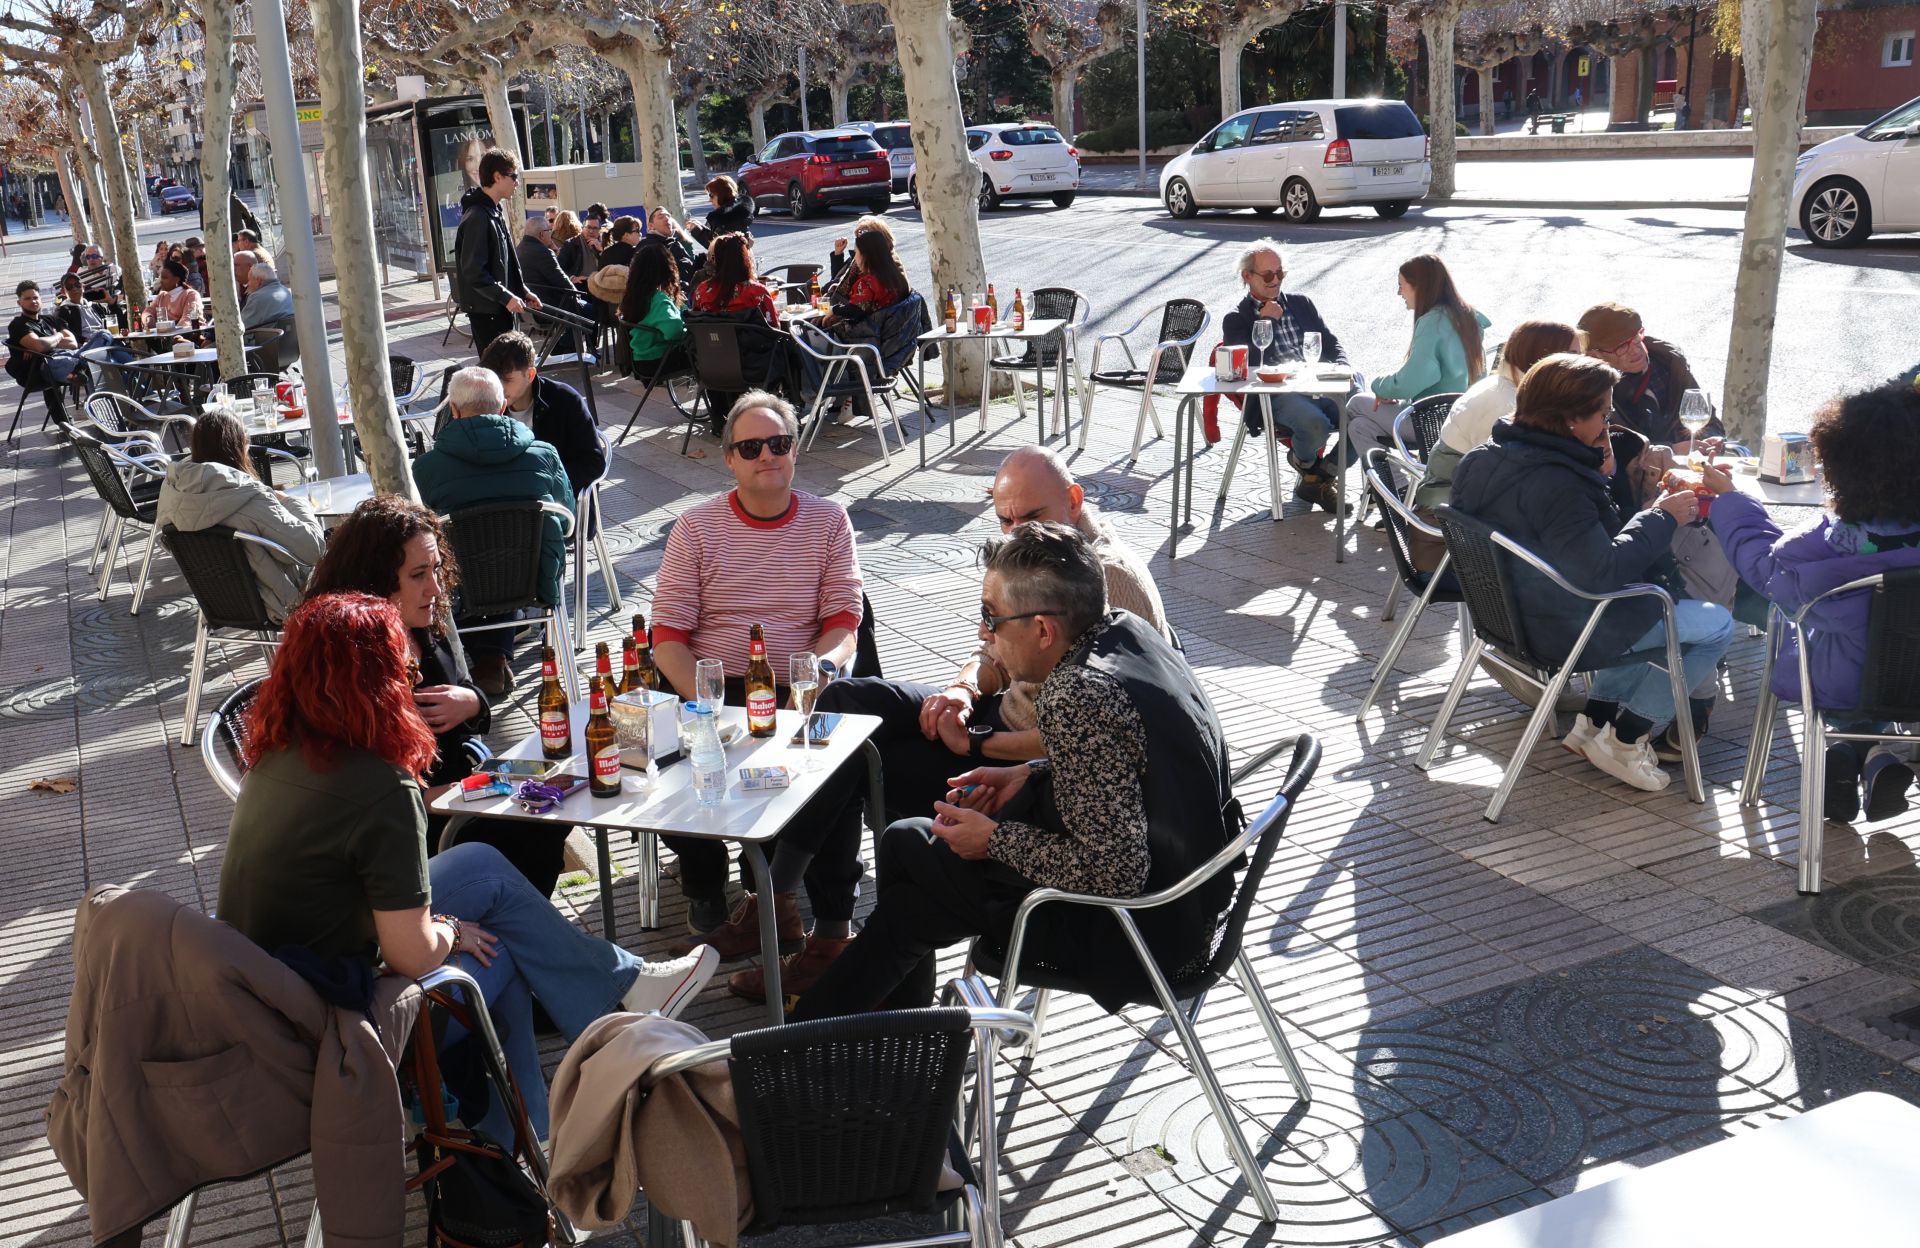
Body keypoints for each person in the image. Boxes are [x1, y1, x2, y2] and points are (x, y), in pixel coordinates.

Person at [215, 592, 718, 1148]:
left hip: (263, 1000)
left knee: (481, 864)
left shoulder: (274, 755)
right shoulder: (380, 786)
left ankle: (538, 1129)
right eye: (403, 669)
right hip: (330, 1022)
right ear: (379, 683)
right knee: (498, 951)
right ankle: (534, 1131)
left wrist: (444, 929)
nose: (411, 678)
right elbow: (411, 954)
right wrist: (451, 930)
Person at [721, 446, 1169, 1002]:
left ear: (1074, 502)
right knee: (849, 709)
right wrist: (961, 693)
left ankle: (818, 991)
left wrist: (998, 815)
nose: (1012, 532)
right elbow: (1003, 658)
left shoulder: (1100, 601)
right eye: (1002, 519)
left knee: (891, 812)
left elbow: (1110, 829)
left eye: (1027, 518)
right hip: (1024, 758)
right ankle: (800, 931)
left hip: (1103, 907)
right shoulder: (1052, 579)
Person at [793, 521, 1237, 1020]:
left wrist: (992, 841)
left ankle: (796, 1054)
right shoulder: (1125, 631)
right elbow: (1125, 762)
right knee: (910, 878)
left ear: (1044, 629)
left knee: (910, 852)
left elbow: (1117, 872)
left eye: (992, 616)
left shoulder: (1076, 694)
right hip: (1193, 901)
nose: (983, 633)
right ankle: (840, 1043)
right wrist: (1029, 773)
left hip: (1139, 931)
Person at [1450, 353, 1735, 792]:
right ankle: (1626, 738)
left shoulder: (1482, 459)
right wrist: (1661, 519)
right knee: (1715, 624)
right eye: (1602, 414)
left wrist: (1645, 511)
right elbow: (1601, 573)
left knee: (1666, 614)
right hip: (1567, 627)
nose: (1607, 424)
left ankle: (1593, 722)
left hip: (1508, 618)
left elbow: (1574, 546)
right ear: (1568, 420)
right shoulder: (1560, 481)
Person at [650, 391, 863, 937]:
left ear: (795, 451)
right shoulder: (695, 529)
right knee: (672, 761)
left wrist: (821, 674)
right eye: (750, 447)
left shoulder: (829, 520)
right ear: (729, 459)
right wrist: (705, 707)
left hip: (800, 683)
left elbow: (843, 622)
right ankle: (704, 878)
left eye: (779, 443)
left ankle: (810, 909)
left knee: (838, 766)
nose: (766, 455)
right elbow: (668, 638)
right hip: (715, 684)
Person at [303, 496, 579, 893]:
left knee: (562, 786)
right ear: (374, 579)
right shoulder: (352, 658)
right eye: (418, 574)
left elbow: (465, 688)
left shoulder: (416, 625)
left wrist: (472, 703)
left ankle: (515, 925)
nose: (435, 587)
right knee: (539, 824)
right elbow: (363, 788)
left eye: (436, 569)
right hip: (421, 824)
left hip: (467, 788)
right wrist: (456, 794)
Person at [1704, 381, 1920, 822]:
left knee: (1841, 659)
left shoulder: (1827, 545)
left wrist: (1730, 502)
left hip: (1841, 684)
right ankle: (1875, 755)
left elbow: (1764, 568)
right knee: (1884, 663)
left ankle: (1846, 751)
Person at [411, 367, 573, 696]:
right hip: (532, 579)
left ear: (453, 411)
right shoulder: (543, 455)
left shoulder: (426, 468)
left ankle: (485, 661)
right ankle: (492, 659)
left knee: (453, 557)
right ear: (502, 408)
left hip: (458, 588)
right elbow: (567, 513)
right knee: (511, 550)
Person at [1411, 320, 1582, 568]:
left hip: (1465, 510)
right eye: (1573, 355)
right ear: (1543, 356)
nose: (1581, 363)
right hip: (1449, 533)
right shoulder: (1507, 405)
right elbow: (1501, 487)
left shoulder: (1514, 387)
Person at [1212, 240, 1351, 513]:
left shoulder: (1301, 304)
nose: (1275, 281)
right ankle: (1315, 476)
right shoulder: (1237, 319)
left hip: (1317, 383)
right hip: (1276, 393)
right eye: (1267, 275)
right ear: (1247, 276)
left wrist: (1343, 366)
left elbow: (1331, 343)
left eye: (1280, 273)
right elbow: (1248, 366)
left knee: (1363, 415)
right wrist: (1268, 323)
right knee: (1314, 425)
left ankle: (1316, 476)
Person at [155, 410, 325, 620]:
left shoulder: (173, 490)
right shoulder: (251, 499)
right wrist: (296, 503)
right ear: (239, 449)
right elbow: (313, 550)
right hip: (277, 603)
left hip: (214, 601)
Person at [1345, 254, 1491, 460]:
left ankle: (1392, 484)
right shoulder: (1468, 316)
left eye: (1401, 285)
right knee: (1360, 427)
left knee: (1356, 403)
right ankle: (1395, 487)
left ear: (1419, 287)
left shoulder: (1433, 321)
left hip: (1430, 422)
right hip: (1462, 418)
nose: (1399, 292)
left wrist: (1379, 386)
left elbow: (1415, 379)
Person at [1578, 302, 1721, 493]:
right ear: (1593, 354)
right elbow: (1606, 449)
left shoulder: (1670, 366)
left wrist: (1709, 441)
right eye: (1621, 347)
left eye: (1637, 337)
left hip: (1687, 477)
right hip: (1628, 490)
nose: (1636, 349)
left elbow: (1709, 421)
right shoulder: (1587, 389)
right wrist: (1672, 448)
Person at [479, 331, 607, 497]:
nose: (498, 387)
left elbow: (593, 464)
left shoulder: (565, 400)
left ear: (530, 375)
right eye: (494, 379)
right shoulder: (486, 402)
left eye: (507, 379)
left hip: (556, 505)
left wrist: (543, 483)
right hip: (506, 505)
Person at [454, 148, 540, 354]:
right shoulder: (478, 216)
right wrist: (506, 297)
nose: (517, 183)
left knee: (508, 373)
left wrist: (521, 291)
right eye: (514, 176)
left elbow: (505, 263)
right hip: (488, 312)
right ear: (497, 177)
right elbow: (474, 270)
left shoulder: (492, 211)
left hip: (496, 308)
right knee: (501, 374)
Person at [6, 280, 82, 423]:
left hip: (64, 359)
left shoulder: (50, 319)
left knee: (103, 336)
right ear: (19, 302)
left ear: (40, 299)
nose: (33, 301)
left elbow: (72, 343)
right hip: (39, 371)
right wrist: (58, 336)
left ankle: (80, 368)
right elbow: (40, 347)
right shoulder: (18, 324)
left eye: (35, 297)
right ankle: (80, 369)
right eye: (27, 298)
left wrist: (48, 342)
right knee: (90, 366)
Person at [619, 243, 690, 386]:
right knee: (707, 353)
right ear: (666, 270)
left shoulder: (634, 296)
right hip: (657, 361)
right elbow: (674, 332)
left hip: (640, 359)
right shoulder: (658, 300)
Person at [691, 233, 779, 328]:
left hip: (712, 341)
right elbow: (774, 326)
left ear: (715, 260)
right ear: (745, 258)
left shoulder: (702, 290)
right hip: (750, 342)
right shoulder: (757, 292)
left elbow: (695, 322)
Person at [823, 215, 894, 302]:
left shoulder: (871, 265)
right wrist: (838, 254)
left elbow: (839, 289)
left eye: (861, 235)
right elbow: (839, 278)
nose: (858, 240)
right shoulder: (878, 257)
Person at [642, 209, 702, 292]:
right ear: (651, 226)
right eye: (661, 217)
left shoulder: (674, 242)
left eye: (668, 216)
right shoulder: (648, 246)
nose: (667, 219)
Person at [689, 175, 752, 247]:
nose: (709, 200)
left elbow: (716, 246)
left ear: (722, 194)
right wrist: (699, 227)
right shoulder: (736, 212)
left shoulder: (726, 217)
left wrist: (696, 230)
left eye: (711, 195)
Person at [146, 259, 202, 327]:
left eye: (165, 278)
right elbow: (148, 311)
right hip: (168, 335)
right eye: (161, 277)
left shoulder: (191, 295)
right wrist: (148, 318)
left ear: (177, 279)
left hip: (190, 334)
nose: (161, 281)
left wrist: (172, 333)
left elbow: (187, 320)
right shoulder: (162, 295)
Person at [556, 212, 601, 290]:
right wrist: (572, 278)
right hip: (582, 285)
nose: (591, 231)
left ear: (599, 230)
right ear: (583, 228)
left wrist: (601, 250)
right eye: (588, 227)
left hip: (600, 285)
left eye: (595, 228)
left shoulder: (603, 243)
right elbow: (558, 267)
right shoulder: (571, 244)